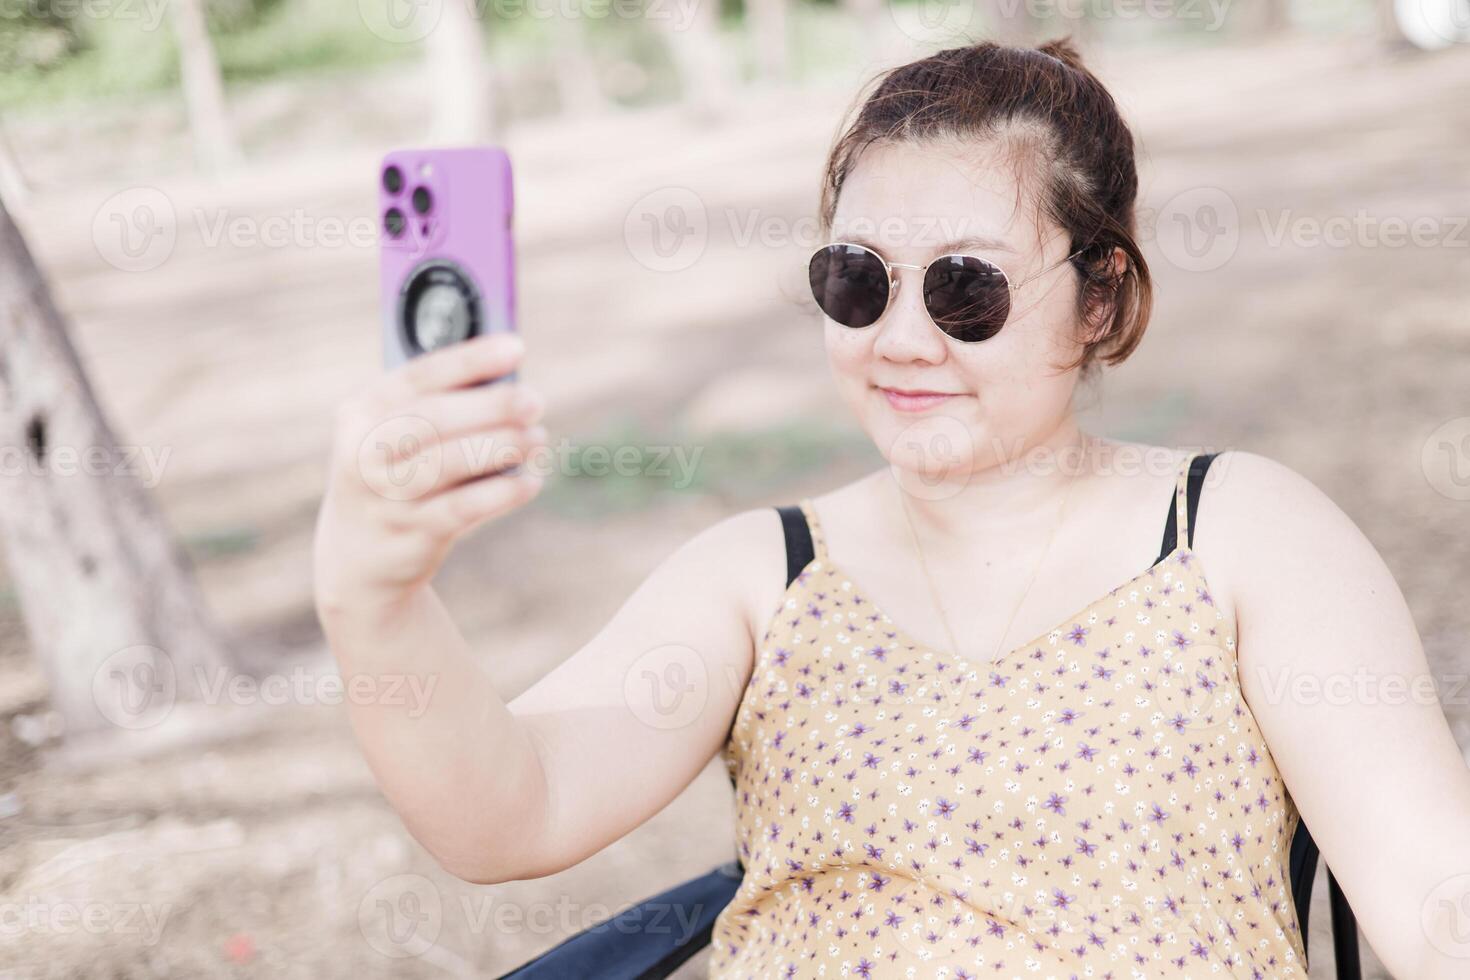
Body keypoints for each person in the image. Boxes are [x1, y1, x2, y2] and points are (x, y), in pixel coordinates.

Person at [313, 36, 1470, 979]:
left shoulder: (1242, 533)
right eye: (856, 280)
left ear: (1099, 302)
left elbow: (1435, 909)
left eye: (967, 286)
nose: (902, 338)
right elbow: (509, 813)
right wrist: (375, 595)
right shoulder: (764, 576)